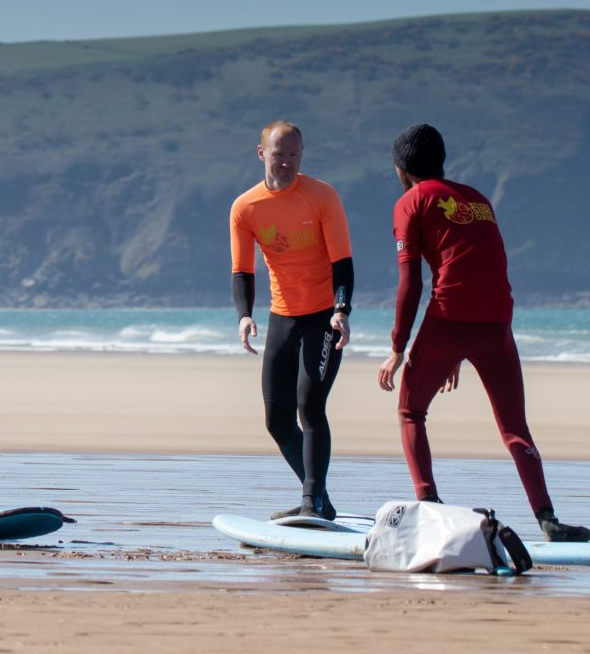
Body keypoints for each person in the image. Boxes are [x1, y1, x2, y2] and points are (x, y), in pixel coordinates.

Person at [377, 124, 589, 542]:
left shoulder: (411, 202)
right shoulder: (477, 199)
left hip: (448, 318)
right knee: (514, 427)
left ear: (400, 167)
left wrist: (398, 347)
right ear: (442, 160)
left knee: (410, 411)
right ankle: (547, 518)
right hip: (497, 322)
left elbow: (412, 284)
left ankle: (429, 507)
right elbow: (482, 265)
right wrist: (456, 353)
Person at [230, 121, 353, 520]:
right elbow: (242, 270)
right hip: (282, 315)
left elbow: (342, 261)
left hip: (323, 316)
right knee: (276, 418)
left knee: (309, 406)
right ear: (261, 153)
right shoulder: (246, 207)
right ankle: (320, 499)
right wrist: (245, 316)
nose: (286, 163)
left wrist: (341, 309)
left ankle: (310, 503)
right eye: (279, 154)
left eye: (294, 155)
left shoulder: (321, 195)